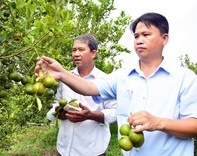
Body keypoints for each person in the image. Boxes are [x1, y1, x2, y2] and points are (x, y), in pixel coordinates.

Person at [35, 13, 197, 156]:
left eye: (146, 35)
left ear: (164, 39)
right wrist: (62, 74)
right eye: (136, 36)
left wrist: (158, 123)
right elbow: (90, 88)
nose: (139, 40)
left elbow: (194, 126)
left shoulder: (185, 78)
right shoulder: (122, 76)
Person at [46, 33, 117, 156]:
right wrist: (58, 113)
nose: (76, 54)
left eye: (81, 50)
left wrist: (91, 115)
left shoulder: (105, 80)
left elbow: (116, 111)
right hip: (63, 149)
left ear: (93, 53)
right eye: (74, 50)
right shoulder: (66, 78)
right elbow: (56, 102)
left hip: (92, 150)